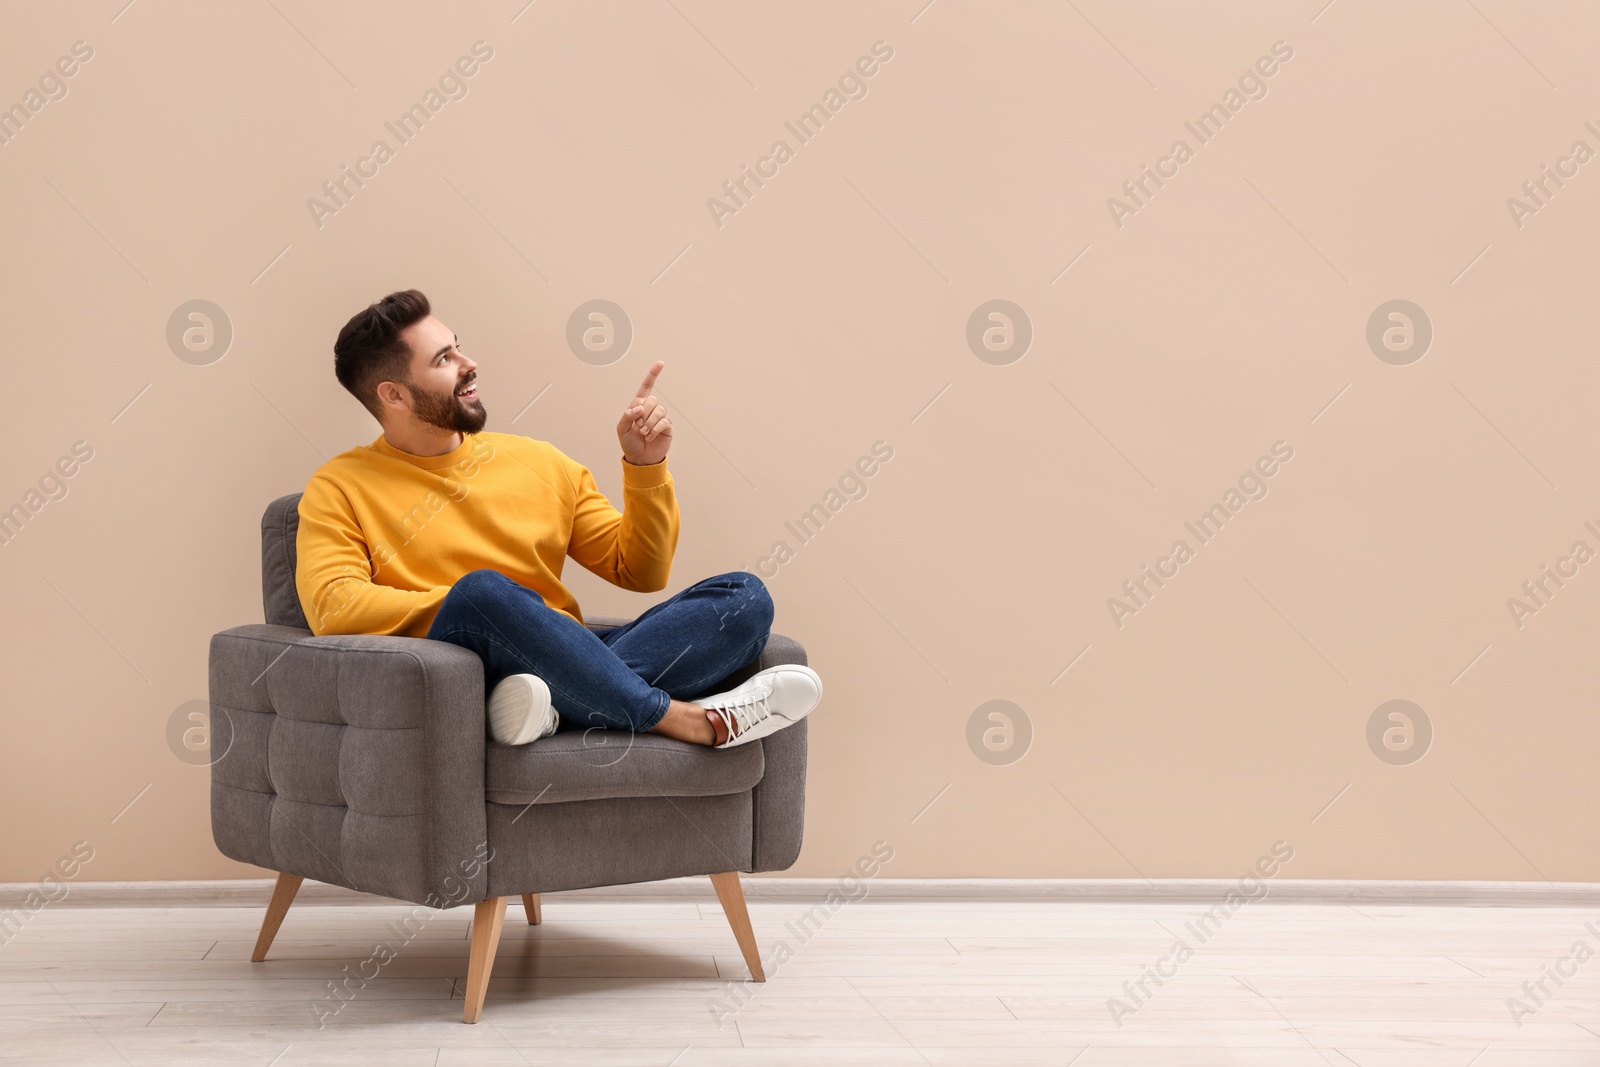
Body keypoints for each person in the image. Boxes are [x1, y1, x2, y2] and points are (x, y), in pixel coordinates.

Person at [293, 289, 821, 748]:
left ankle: (549, 710)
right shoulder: (339, 485)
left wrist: (645, 467)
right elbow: (334, 607)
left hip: (574, 657)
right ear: (394, 394)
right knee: (483, 594)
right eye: (444, 359)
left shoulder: (540, 462)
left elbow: (640, 572)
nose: (469, 362)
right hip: (460, 666)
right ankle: (687, 721)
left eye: (459, 345)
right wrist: (505, 616)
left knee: (743, 598)